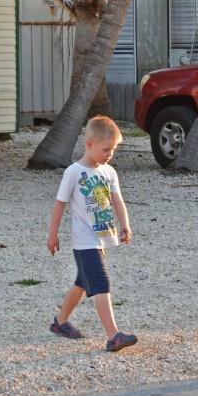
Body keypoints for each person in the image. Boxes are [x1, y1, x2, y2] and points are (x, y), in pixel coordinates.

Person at [46, 115, 136, 352]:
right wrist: (52, 234)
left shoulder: (109, 172)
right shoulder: (74, 172)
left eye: (113, 150)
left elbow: (117, 200)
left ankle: (60, 322)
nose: (110, 154)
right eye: (106, 149)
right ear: (89, 143)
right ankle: (113, 335)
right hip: (84, 241)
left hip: (101, 239)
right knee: (99, 281)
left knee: (83, 282)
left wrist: (125, 224)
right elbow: (59, 204)